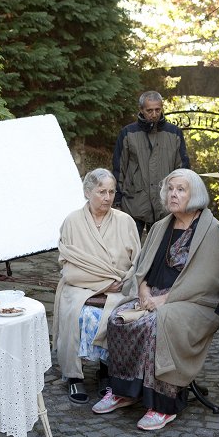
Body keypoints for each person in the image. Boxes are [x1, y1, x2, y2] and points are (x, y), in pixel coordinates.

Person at [91, 168, 219, 431]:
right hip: (154, 296)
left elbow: (207, 282)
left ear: (195, 195)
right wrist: (144, 289)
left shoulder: (211, 231)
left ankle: (163, 404)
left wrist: (165, 300)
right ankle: (125, 391)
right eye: (170, 189)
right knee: (118, 318)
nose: (173, 194)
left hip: (196, 303)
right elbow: (144, 266)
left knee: (158, 322)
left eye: (181, 189)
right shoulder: (161, 226)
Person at [52, 168, 141, 404]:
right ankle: (73, 376)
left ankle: (106, 371)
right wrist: (103, 283)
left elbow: (137, 264)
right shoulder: (72, 221)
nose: (107, 197)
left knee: (116, 314)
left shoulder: (125, 221)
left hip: (118, 286)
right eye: (101, 191)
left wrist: (121, 282)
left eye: (111, 191)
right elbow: (69, 269)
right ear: (87, 192)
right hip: (80, 285)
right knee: (73, 312)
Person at [112, 91, 191, 236]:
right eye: (149, 110)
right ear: (141, 110)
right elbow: (119, 168)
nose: (154, 114)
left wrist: (184, 199)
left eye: (157, 110)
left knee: (160, 254)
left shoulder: (174, 134)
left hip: (164, 205)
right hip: (133, 203)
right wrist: (117, 201)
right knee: (129, 252)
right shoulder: (128, 133)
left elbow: (183, 171)